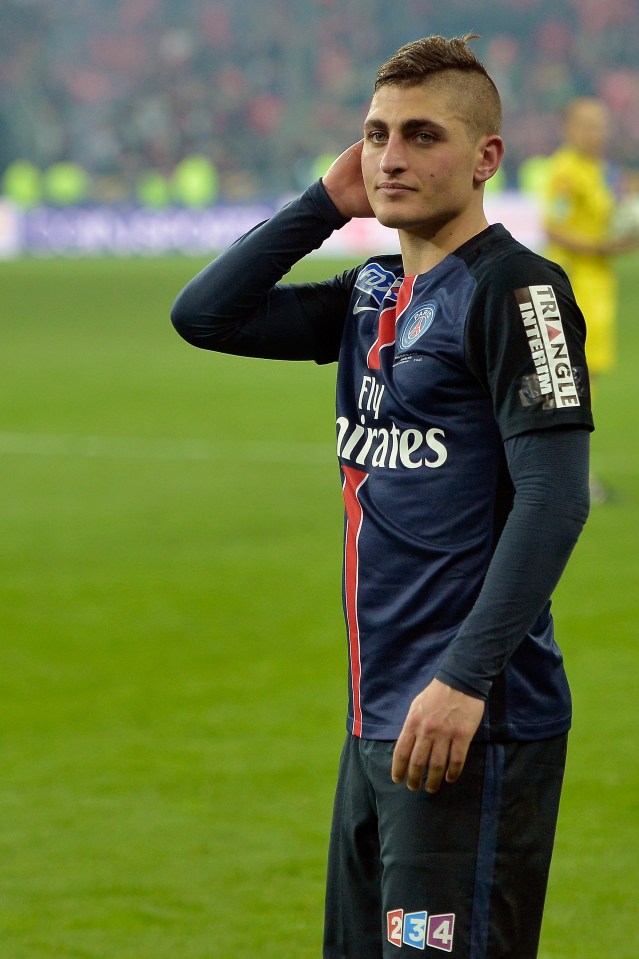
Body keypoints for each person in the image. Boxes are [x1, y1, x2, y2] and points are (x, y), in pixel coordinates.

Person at [172, 34, 593, 959]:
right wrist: (324, 203)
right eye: (374, 135)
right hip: (377, 722)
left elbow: (555, 500)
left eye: (420, 135)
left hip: (472, 722)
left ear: (486, 156)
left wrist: (462, 678)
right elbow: (204, 316)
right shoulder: (373, 291)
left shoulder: (517, 291)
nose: (391, 156)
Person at [543, 97, 637, 502]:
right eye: (587, 125)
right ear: (568, 128)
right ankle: (566, 474)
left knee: (584, 384)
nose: (596, 133)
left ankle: (569, 471)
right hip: (574, 286)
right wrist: (601, 246)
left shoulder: (600, 173)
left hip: (598, 289)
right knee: (570, 384)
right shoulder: (565, 172)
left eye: (600, 125)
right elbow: (555, 226)